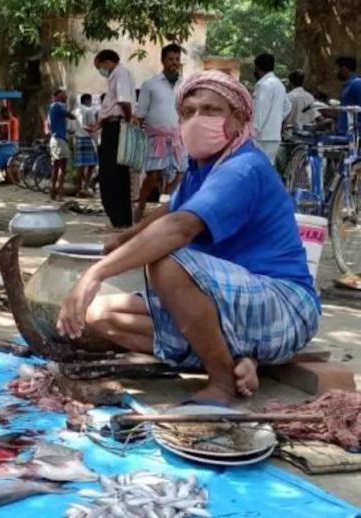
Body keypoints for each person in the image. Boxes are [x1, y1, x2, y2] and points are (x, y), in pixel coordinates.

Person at [56, 71, 319, 405]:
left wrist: (96, 272)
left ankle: (222, 382)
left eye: (211, 110)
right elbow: (170, 210)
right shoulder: (202, 167)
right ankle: (239, 358)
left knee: (167, 261)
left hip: (284, 305)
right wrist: (121, 242)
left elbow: (180, 227)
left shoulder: (244, 167)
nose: (197, 120)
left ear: (238, 119)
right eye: (189, 112)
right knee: (99, 316)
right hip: (230, 302)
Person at [134, 43, 188, 221]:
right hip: (155, 137)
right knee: (154, 174)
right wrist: (137, 138)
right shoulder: (150, 85)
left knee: (180, 173)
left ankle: (164, 208)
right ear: (163, 60)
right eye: (171, 59)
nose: (174, 63)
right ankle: (140, 206)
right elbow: (140, 113)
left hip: (179, 136)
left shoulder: (185, 85)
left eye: (177, 59)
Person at [95, 49, 137, 228]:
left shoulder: (119, 74)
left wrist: (127, 121)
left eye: (100, 66)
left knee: (112, 173)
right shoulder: (117, 76)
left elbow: (123, 101)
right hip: (112, 125)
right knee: (115, 173)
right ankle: (119, 217)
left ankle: (120, 216)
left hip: (116, 127)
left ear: (106, 62)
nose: (101, 71)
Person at [252, 53, 291, 163]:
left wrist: (253, 132)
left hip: (261, 136)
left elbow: (260, 111)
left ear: (258, 67)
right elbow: (288, 106)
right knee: (268, 166)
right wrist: (276, 119)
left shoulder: (263, 85)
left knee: (258, 166)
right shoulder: (279, 84)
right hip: (274, 135)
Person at [47, 89, 76, 202]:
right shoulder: (58, 106)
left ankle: (52, 192)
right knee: (62, 168)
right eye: (63, 94)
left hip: (54, 138)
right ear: (57, 96)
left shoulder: (52, 107)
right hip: (59, 139)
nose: (65, 96)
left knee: (55, 167)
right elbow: (71, 116)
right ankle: (59, 194)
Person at [72, 94, 99, 196]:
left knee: (80, 165)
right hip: (87, 139)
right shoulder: (89, 111)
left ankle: (79, 188)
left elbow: (71, 127)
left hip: (77, 139)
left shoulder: (75, 111)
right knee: (92, 164)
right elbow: (92, 126)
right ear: (88, 100)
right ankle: (86, 186)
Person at [334, 56, 361, 136]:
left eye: (337, 69)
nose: (335, 72)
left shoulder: (357, 84)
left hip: (353, 136)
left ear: (344, 68)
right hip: (344, 134)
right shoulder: (347, 86)